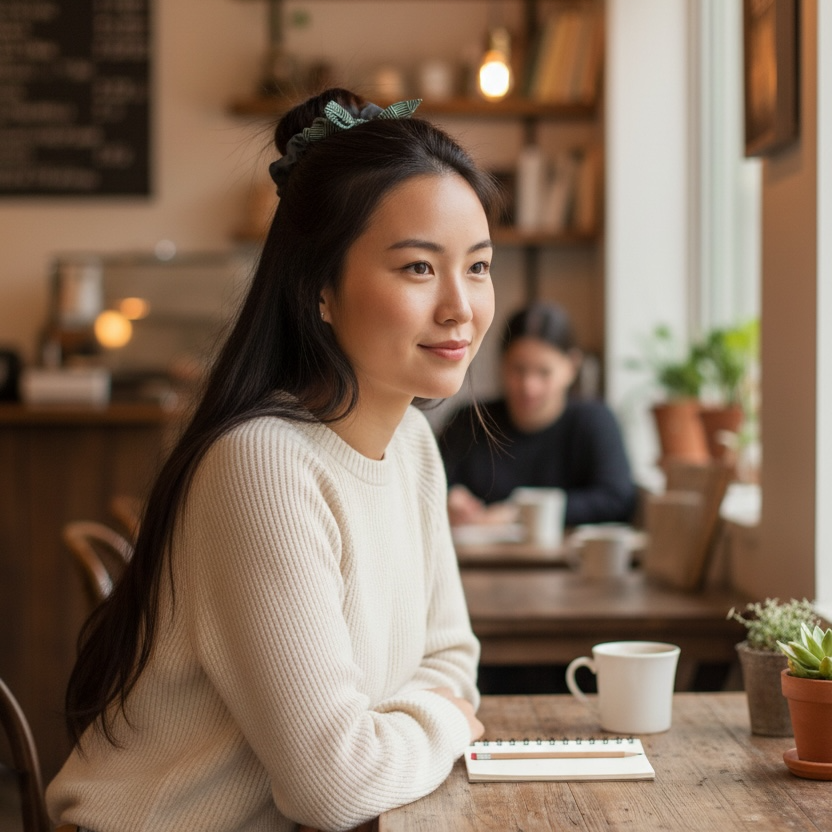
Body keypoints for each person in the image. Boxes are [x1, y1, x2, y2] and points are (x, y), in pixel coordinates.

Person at [47, 88, 502, 832]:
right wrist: (444, 723)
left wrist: (407, 725)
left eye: (477, 267)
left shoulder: (414, 445)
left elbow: (452, 660)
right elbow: (335, 784)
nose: (460, 306)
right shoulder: (262, 466)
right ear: (317, 289)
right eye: (419, 269)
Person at [440, 301, 637, 529]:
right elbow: (430, 484)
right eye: (518, 369)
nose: (528, 387)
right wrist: (449, 499)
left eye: (544, 372)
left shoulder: (594, 420)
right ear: (502, 363)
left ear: (571, 367)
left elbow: (618, 499)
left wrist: (518, 513)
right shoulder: (470, 420)